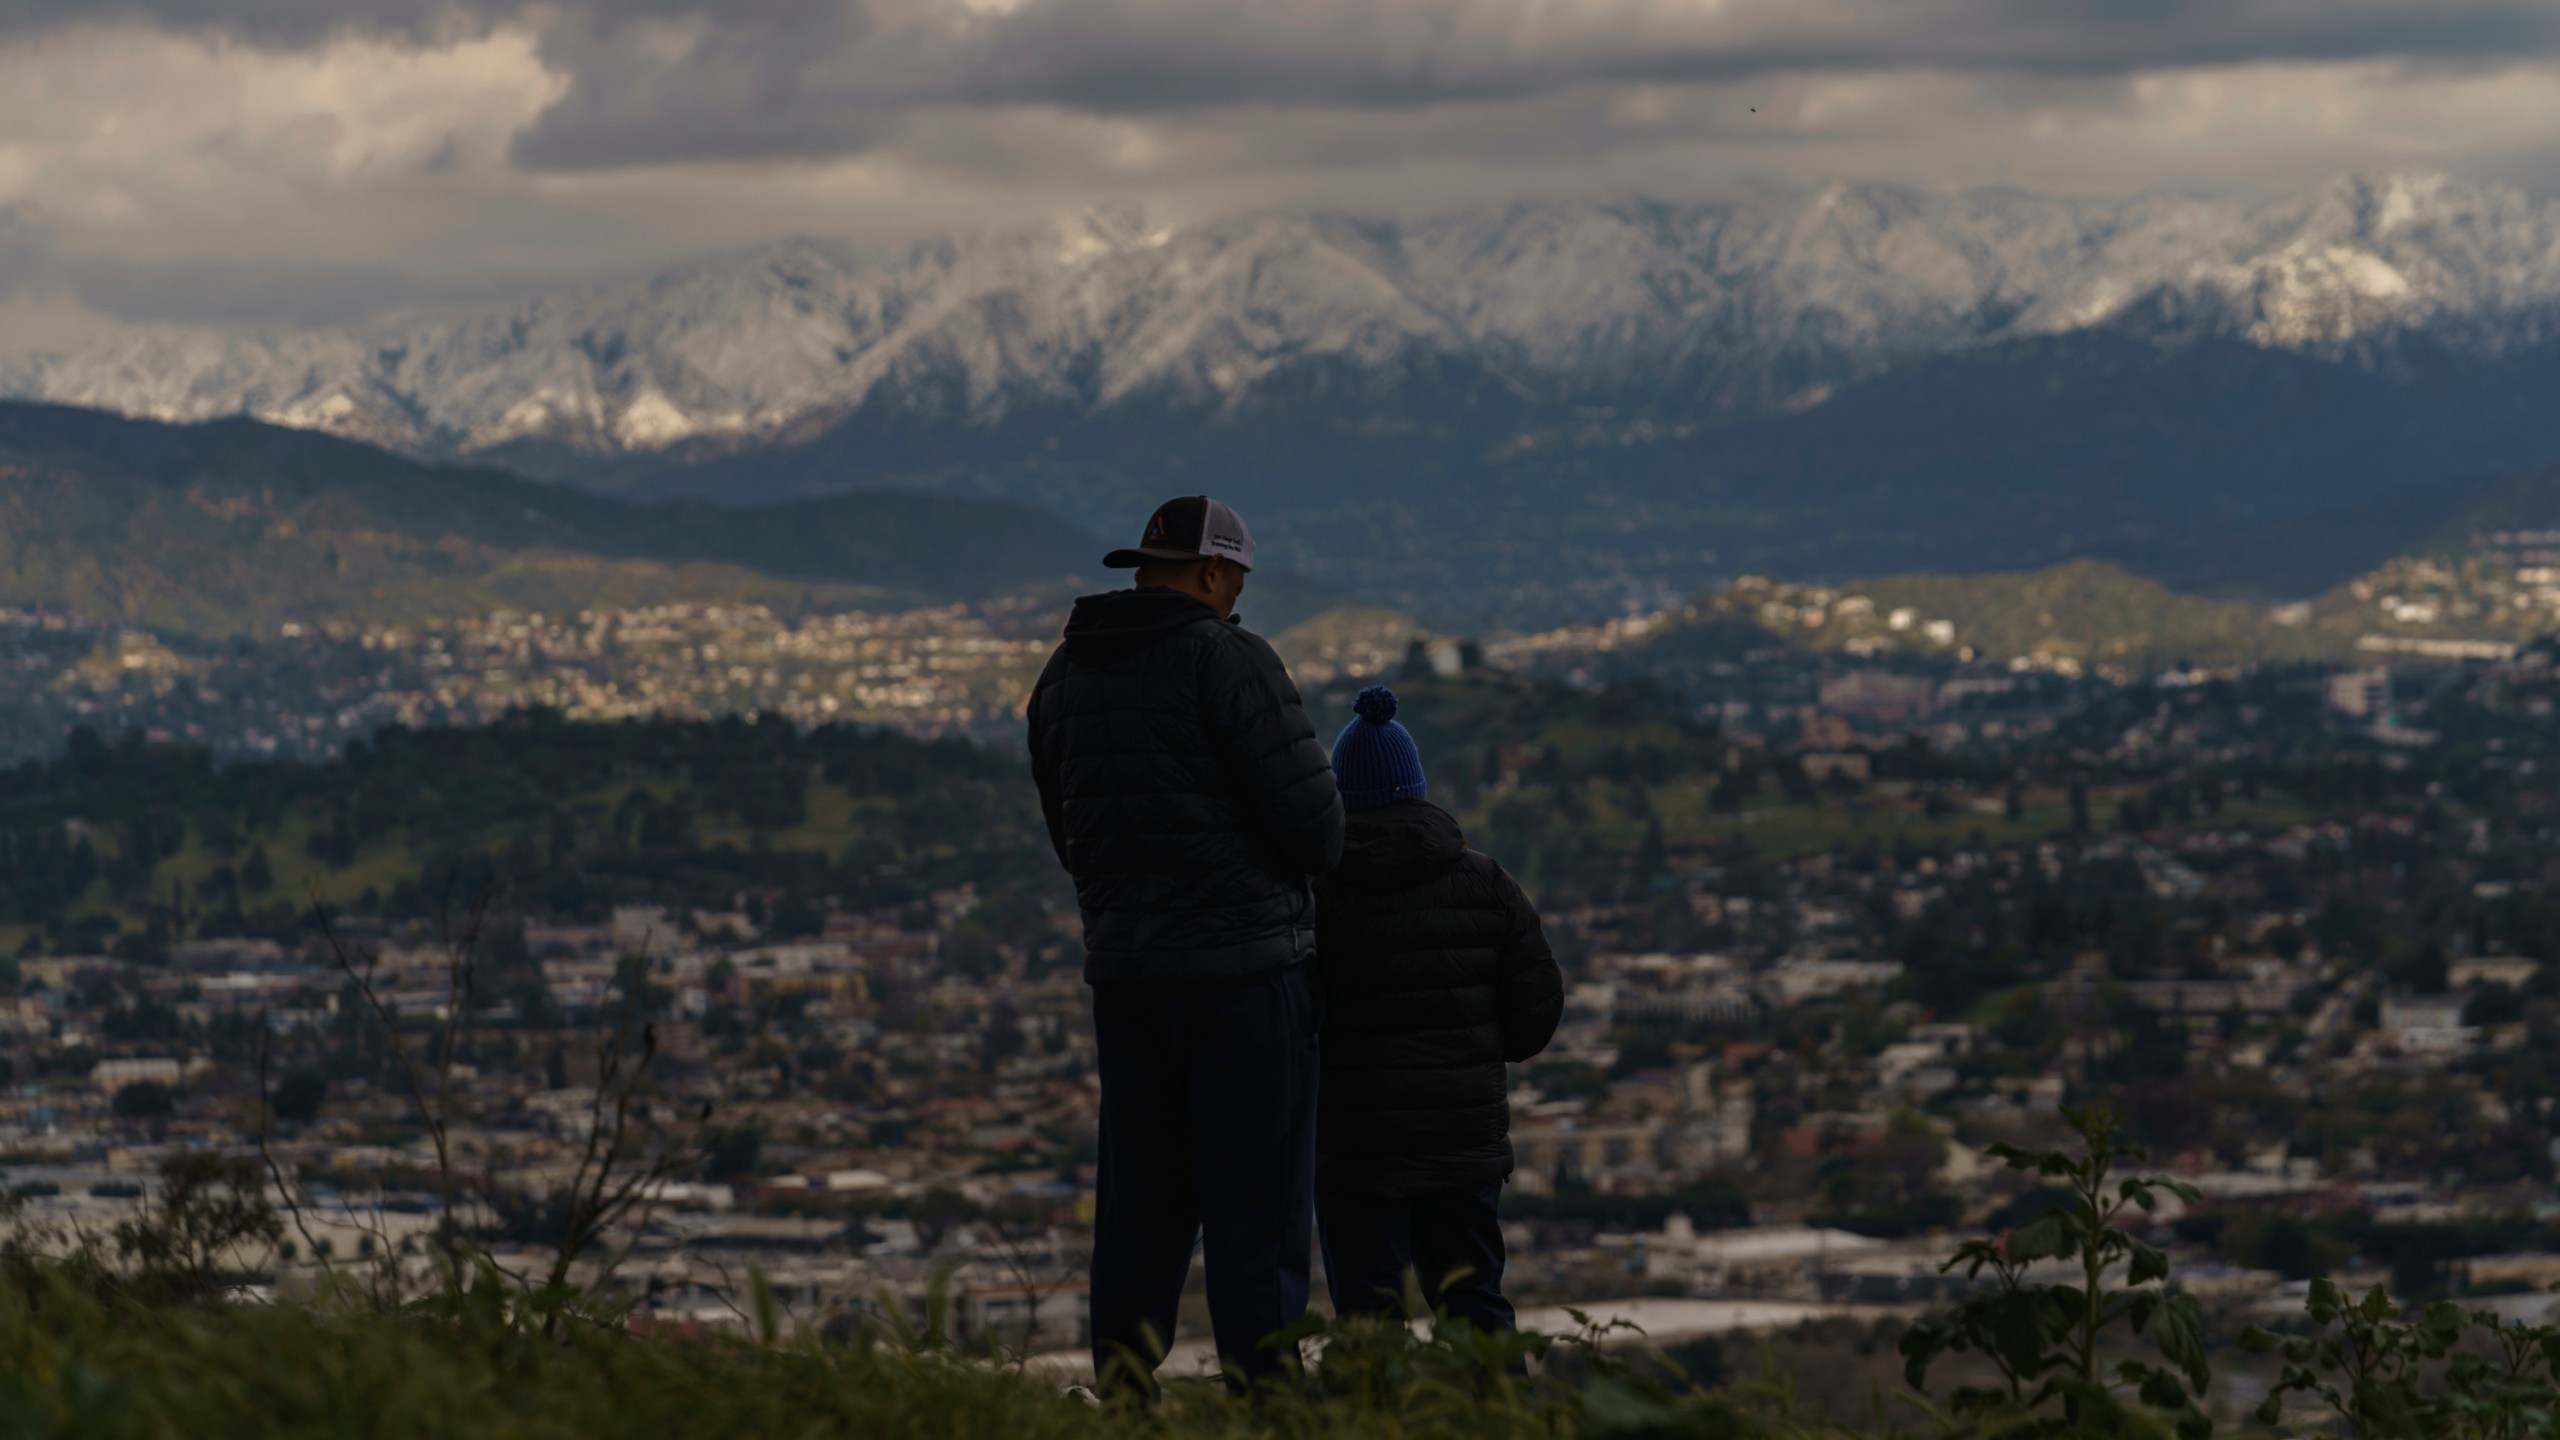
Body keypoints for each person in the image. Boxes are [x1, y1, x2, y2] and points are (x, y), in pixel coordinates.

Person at [1025, 495, 1345, 1393]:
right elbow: (1316, 831)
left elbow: (1069, 840)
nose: (1238, 599)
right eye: (1236, 580)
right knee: (1260, 1210)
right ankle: (1269, 1402)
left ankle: (1123, 1392)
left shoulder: (1062, 679)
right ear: (1211, 572)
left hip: (1127, 982)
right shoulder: (1230, 661)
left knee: (1140, 1202)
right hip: (1246, 979)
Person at [1311, 685, 1562, 1332]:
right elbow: (1536, 1011)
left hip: (1356, 1150)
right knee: (1476, 1307)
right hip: (1463, 1145)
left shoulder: (1313, 895)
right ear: (1417, 786)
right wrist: (1472, 1050)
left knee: (1370, 1320)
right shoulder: (1486, 882)